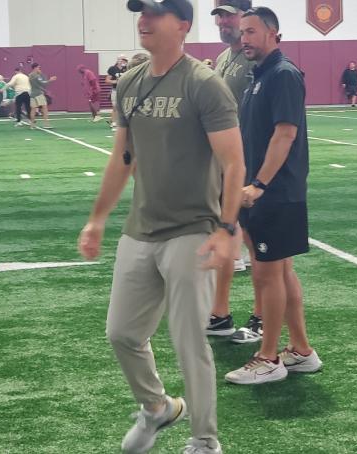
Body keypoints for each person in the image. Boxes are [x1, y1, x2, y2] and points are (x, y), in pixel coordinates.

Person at [77, 0, 243, 452]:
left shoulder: (205, 85)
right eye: (140, 13)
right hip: (140, 228)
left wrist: (227, 229)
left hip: (193, 228)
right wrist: (97, 219)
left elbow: (233, 161)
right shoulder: (129, 82)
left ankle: (205, 441)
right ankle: (158, 408)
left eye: (154, 14)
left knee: (189, 342)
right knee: (122, 333)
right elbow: (122, 159)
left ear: (183, 25)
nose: (143, 21)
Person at [224, 6, 322, 385]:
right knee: (281, 272)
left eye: (251, 32)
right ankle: (300, 351)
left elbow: (285, 134)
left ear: (273, 34)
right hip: (261, 191)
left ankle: (268, 357)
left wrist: (260, 185)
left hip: (276, 193)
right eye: (242, 32)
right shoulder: (258, 76)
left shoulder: (282, 74)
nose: (243, 38)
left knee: (267, 275)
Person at [207, 0, 258, 341]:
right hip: (224, 163)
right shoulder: (224, 58)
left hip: (252, 163)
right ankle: (220, 314)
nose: (222, 22)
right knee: (225, 234)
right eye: (219, 16)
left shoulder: (259, 60)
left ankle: (262, 317)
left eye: (228, 14)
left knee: (259, 248)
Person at [28, 62, 57, 129]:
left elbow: (36, 85)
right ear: (35, 68)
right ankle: (46, 124)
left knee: (33, 109)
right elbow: (43, 83)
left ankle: (32, 125)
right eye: (38, 67)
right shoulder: (37, 75)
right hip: (38, 94)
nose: (39, 69)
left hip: (32, 94)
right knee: (44, 108)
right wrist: (50, 80)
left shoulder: (30, 75)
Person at [106, 55, 129, 129]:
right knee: (115, 106)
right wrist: (116, 81)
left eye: (125, 60)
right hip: (116, 90)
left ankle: (121, 121)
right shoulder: (113, 69)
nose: (124, 62)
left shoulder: (127, 68)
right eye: (123, 60)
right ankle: (113, 122)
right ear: (118, 60)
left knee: (125, 107)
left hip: (125, 90)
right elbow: (107, 80)